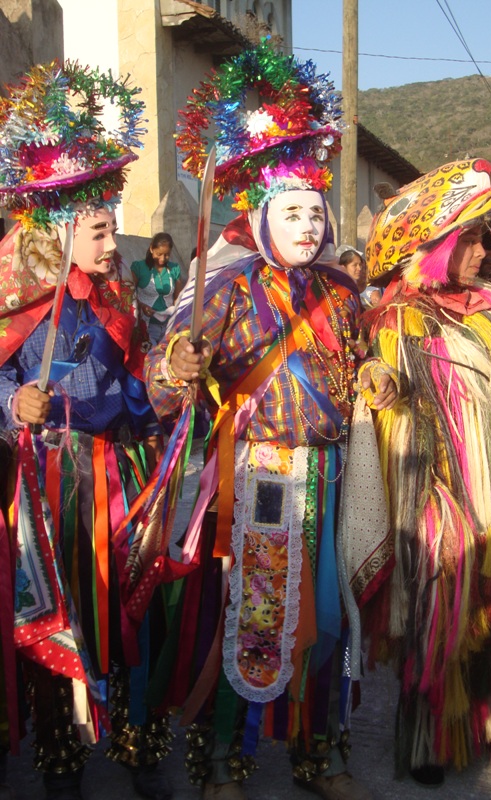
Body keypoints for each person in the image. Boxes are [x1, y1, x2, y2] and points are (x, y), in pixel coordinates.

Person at [143, 41, 397, 800]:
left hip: (331, 477)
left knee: (330, 622)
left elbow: (364, 363)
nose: (309, 225)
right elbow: (169, 367)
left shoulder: (343, 293)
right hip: (259, 478)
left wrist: (377, 375)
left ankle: (324, 754)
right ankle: (225, 760)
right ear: (260, 219)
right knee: (249, 620)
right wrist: (178, 363)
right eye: (292, 213)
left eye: (316, 213)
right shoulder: (225, 288)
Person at [0, 62, 172, 800]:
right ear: (63, 230)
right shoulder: (16, 295)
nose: (111, 242)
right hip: (49, 480)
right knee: (57, 614)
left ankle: (139, 749)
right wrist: (14, 403)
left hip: (118, 474)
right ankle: (60, 762)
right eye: (99, 231)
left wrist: (168, 380)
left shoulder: (119, 296)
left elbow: (136, 385)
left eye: (110, 228)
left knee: (134, 611)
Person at [358, 158, 491, 785]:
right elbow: (382, 386)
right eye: (472, 239)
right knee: (438, 604)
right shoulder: (397, 316)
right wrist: (379, 381)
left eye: (486, 238)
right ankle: (425, 738)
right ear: (437, 247)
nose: (484, 252)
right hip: (430, 486)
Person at [131, 233, 183, 344]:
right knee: (149, 352)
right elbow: (130, 294)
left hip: (168, 325)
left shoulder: (174, 269)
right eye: (159, 254)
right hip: (146, 326)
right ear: (151, 249)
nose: (162, 259)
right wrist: (142, 306)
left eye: (167, 255)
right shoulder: (139, 267)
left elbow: (177, 298)